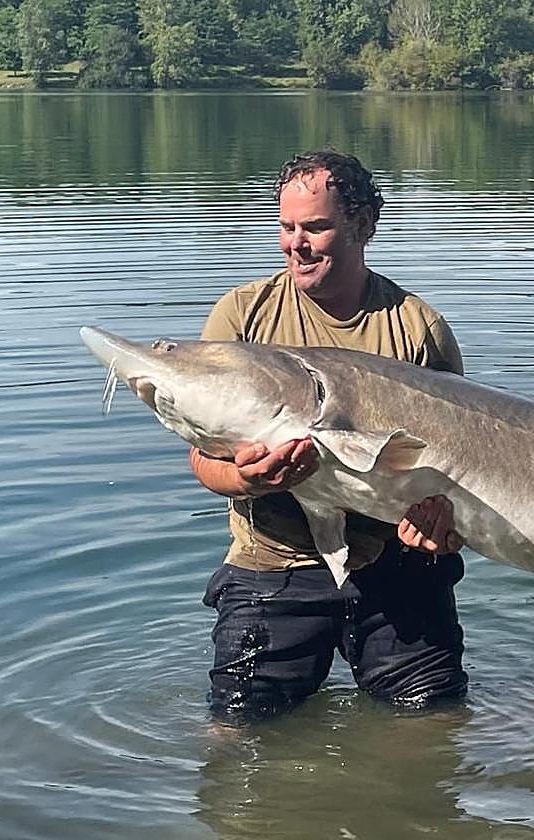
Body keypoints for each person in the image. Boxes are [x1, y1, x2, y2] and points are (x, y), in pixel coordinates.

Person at [190, 150, 468, 723]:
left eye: (316, 226)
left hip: (396, 565)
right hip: (275, 562)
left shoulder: (416, 327)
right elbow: (203, 462)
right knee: (236, 735)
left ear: (364, 224)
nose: (297, 243)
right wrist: (246, 477)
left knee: (433, 729)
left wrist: (442, 529)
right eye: (286, 226)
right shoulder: (243, 319)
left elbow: (462, 465)